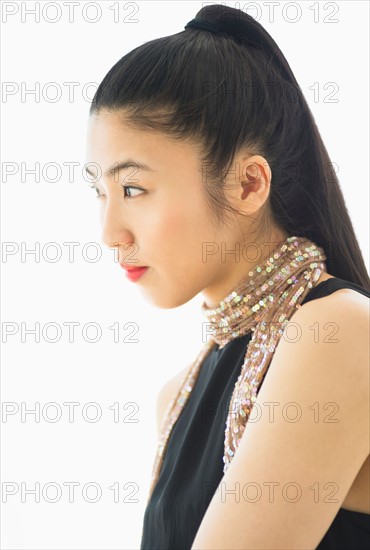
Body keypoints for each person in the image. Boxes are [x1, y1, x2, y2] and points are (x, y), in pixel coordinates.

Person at [84, 4, 370, 549]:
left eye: (134, 189)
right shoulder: (174, 398)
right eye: (99, 192)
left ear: (247, 184)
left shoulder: (337, 332)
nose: (109, 232)